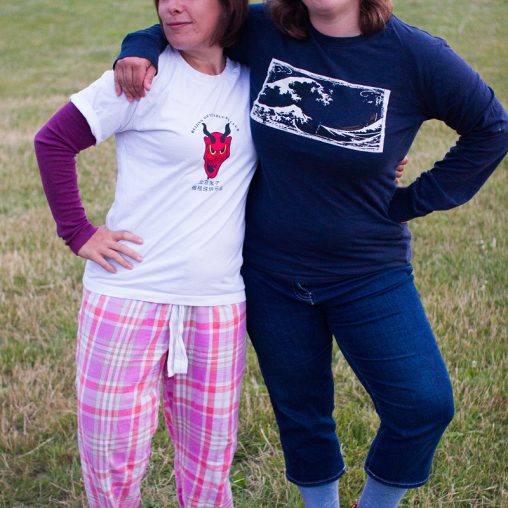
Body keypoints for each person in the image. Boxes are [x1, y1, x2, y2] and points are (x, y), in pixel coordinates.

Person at [113, 1, 508, 507]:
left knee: (423, 405)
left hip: (368, 272)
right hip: (270, 273)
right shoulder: (266, 28)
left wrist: (411, 201)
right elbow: (187, 22)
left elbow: (491, 128)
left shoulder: (416, 55)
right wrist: (138, 49)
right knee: (302, 413)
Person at [34, 0, 257, 506]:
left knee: (210, 466)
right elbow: (53, 141)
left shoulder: (254, 82)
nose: (172, 6)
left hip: (216, 304)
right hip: (127, 296)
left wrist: (381, 163)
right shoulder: (140, 79)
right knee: (111, 461)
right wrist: (78, 232)